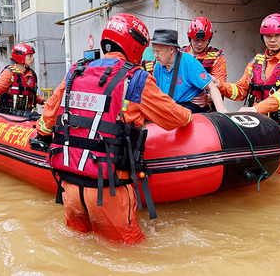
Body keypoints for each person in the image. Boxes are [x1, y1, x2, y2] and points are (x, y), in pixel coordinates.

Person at [32, 13, 193, 244]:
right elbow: (175, 118)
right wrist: (190, 114)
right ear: (135, 45)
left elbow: (49, 115)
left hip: (69, 185)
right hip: (108, 188)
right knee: (128, 252)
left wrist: (44, 134)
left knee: (77, 245)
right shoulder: (135, 79)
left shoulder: (76, 72)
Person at [212, 13, 280, 174]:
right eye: (267, 36)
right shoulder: (255, 62)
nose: (272, 40)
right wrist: (221, 86)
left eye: (277, 35)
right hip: (260, 129)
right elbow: (240, 91)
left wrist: (255, 109)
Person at [152, 28, 226, 113]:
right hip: (169, 108)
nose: (155, 55)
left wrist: (222, 110)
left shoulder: (189, 63)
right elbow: (155, 92)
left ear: (171, 49)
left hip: (190, 109)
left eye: (158, 51)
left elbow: (212, 87)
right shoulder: (159, 65)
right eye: (154, 51)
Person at [182, 17, 227, 111]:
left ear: (209, 39)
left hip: (207, 109)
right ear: (189, 38)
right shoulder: (180, 54)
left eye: (204, 40)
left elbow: (220, 84)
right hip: (181, 105)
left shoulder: (216, 56)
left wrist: (209, 97)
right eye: (196, 40)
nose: (200, 44)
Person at [0, 43, 44, 111]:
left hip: (26, 114)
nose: (32, 59)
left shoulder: (31, 75)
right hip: (9, 114)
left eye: (32, 56)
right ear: (21, 57)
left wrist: (43, 101)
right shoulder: (9, 73)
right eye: (29, 56)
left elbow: (31, 93)